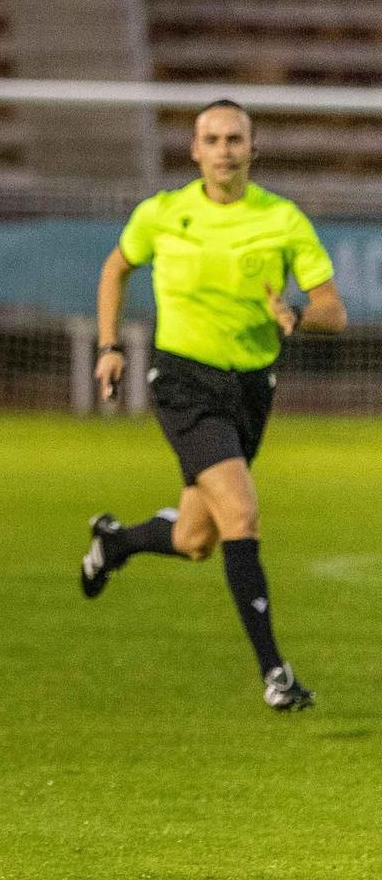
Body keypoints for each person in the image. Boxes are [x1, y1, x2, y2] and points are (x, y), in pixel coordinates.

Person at [80, 100, 345, 710]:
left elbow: (335, 310)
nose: (224, 149)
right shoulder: (163, 214)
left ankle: (114, 543)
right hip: (182, 383)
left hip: (251, 389)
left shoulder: (282, 220)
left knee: (198, 538)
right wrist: (109, 345)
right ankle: (275, 675)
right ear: (193, 151)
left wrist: (297, 316)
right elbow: (115, 269)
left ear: (254, 150)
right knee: (243, 515)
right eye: (212, 139)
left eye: (235, 139)